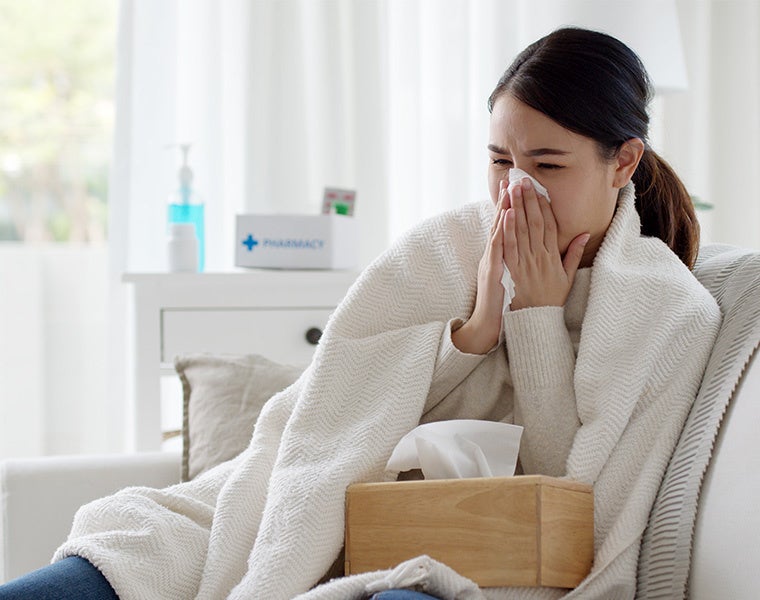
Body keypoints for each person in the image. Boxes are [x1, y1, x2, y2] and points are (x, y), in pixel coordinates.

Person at [0, 27, 721, 600]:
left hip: (468, 560)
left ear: (623, 161)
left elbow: (574, 503)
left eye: (549, 165)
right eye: (500, 160)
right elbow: (327, 420)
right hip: (294, 511)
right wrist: (473, 335)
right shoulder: (444, 250)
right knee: (119, 556)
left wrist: (537, 319)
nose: (516, 193)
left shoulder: (663, 314)